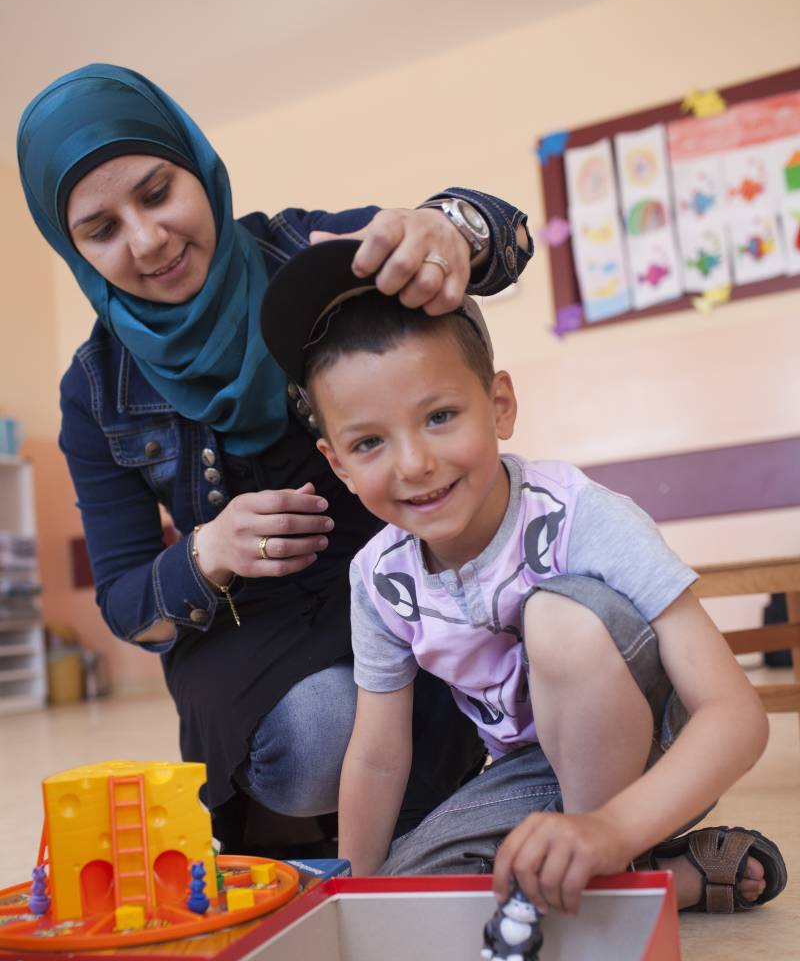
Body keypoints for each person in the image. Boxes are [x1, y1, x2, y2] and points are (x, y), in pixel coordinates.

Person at [17, 63, 534, 850]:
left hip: (400, 580)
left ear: (198, 168)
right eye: (102, 229)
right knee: (321, 734)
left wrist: (451, 228)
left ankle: (430, 840)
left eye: (158, 193)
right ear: (72, 246)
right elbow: (127, 601)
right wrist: (208, 550)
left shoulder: (308, 255)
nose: (148, 240)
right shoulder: (95, 389)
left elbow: (506, 240)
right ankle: (432, 833)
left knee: (552, 666)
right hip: (246, 628)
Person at [258, 237, 788, 915]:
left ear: (500, 404)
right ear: (338, 464)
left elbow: (736, 715)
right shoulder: (379, 578)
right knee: (409, 890)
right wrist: (354, 898)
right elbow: (378, 754)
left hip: (656, 758)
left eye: (440, 416)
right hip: (537, 775)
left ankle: (616, 855)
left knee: (558, 619)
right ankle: (664, 877)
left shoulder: (582, 515)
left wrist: (608, 826)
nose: (414, 462)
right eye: (369, 442)